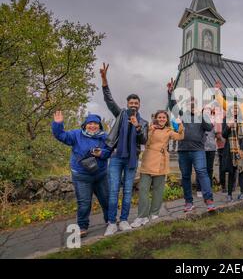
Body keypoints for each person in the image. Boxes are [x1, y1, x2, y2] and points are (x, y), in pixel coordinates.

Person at [100, 63, 149, 236]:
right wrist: (105, 81)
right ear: (127, 104)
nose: (133, 105)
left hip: (131, 159)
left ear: (139, 105)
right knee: (114, 190)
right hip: (116, 157)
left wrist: (136, 127)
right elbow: (109, 101)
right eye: (131, 102)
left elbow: (144, 140)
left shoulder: (143, 123)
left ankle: (124, 220)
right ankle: (112, 222)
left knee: (127, 191)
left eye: (136, 103)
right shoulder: (120, 114)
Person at [52, 111, 110, 238]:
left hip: (100, 175)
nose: (93, 126)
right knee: (84, 203)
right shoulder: (76, 135)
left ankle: (110, 220)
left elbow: (110, 151)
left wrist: (101, 153)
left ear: (99, 126)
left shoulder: (104, 136)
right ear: (85, 125)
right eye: (90, 123)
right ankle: (83, 226)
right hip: (82, 176)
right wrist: (58, 124)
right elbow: (61, 135)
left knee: (106, 200)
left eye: (96, 124)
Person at [167, 79, 216, 212]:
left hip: (198, 150)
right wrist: (170, 93)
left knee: (202, 172)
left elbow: (209, 128)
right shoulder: (182, 114)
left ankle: (209, 200)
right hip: (183, 150)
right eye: (190, 103)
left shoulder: (202, 116)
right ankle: (189, 202)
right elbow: (173, 106)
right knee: (186, 176)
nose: (192, 105)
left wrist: (201, 114)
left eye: (194, 103)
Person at [131, 110, 184, 228]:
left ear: (166, 119)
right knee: (143, 189)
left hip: (161, 161)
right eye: (159, 117)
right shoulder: (149, 128)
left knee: (158, 190)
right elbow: (142, 139)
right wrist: (150, 129)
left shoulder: (168, 131)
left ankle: (154, 213)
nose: (161, 119)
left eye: (164, 117)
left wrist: (180, 124)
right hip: (147, 159)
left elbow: (180, 136)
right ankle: (142, 216)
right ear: (155, 118)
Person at [214, 80, 243, 182]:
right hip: (242, 140)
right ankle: (241, 188)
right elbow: (224, 104)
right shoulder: (240, 107)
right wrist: (217, 91)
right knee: (241, 163)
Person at [221, 104, 243, 202]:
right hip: (230, 150)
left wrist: (242, 150)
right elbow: (223, 135)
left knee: (241, 171)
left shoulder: (242, 121)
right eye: (233, 109)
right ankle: (229, 194)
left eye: (236, 109)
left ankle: (242, 192)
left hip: (240, 149)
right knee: (231, 172)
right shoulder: (226, 120)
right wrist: (228, 126)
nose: (235, 110)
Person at [196, 106, 217, 198]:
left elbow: (218, 132)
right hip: (201, 147)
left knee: (209, 169)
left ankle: (209, 187)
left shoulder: (214, 121)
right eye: (205, 111)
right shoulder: (199, 121)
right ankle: (199, 188)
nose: (207, 112)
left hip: (211, 147)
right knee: (200, 169)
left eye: (209, 111)